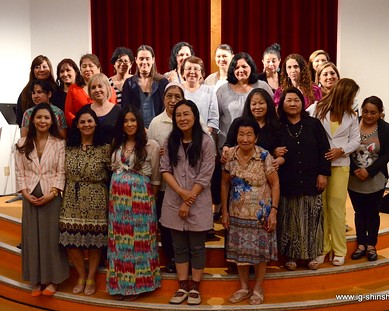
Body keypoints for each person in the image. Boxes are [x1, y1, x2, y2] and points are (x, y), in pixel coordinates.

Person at [160, 100, 215, 305]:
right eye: (178, 115)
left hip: (198, 201)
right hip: (174, 200)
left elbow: (205, 175)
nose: (182, 119)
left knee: (197, 247)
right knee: (179, 247)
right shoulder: (170, 141)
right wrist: (181, 193)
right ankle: (182, 286)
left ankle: (195, 287)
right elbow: (165, 169)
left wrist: (188, 199)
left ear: (194, 116)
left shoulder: (207, 142)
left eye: (186, 114)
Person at [221, 117, 279, 305]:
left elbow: (275, 184)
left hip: (260, 215)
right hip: (236, 214)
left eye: (249, 134)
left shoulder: (264, 156)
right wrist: (225, 212)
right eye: (241, 134)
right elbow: (224, 183)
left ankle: (258, 288)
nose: (244, 139)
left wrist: (273, 212)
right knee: (240, 253)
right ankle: (244, 287)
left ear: (256, 137)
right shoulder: (229, 155)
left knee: (260, 254)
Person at [107, 106, 161, 301]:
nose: (129, 124)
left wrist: (148, 200)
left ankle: (139, 285)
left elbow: (155, 178)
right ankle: (120, 285)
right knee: (120, 244)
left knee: (139, 244)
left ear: (139, 122)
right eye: (125, 121)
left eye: (133, 120)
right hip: (118, 203)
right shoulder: (116, 143)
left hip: (141, 203)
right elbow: (113, 168)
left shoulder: (150, 145)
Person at [15, 103, 69, 297]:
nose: (42, 121)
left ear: (52, 120)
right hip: (29, 195)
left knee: (51, 239)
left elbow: (61, 172)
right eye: (39, 117)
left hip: (51, 195)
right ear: (32, 120)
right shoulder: (21, 144)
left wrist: (53, 193)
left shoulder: (59, 143)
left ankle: (53, 280)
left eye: (46, 117)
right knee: (32, 238)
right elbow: (19, 172)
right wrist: (24, 193)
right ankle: (36, 280)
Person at [275, 88, 331, 271]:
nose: (292, 104)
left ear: (303, 103)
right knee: (290, 219)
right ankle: (291, 256)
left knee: (312, 219)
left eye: (296, 100)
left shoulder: (313, 124)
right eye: (288, 100)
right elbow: (268, 147)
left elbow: (325, 150)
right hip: (287, 181)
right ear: (282, 104)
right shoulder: (277, 125)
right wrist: (275, 151)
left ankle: (312, 255)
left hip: (311, 180)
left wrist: (323, 173)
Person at [59, 105, 110, 296]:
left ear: (96, 124)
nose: (86, 124)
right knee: (70, 238)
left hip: (97, 196)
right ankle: (81, 275)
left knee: (95, 240)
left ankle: (91, 276)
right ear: (77, 125)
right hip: (71, 196)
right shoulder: (68, 147)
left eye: (90, 121)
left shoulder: (106, 148)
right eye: (82, 122)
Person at [311, 78, 360, 266]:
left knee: (336, 208)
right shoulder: (318, 108)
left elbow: (356, 140)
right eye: (352, 95)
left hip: (340, 165)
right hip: (319, 166)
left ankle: (339, 250)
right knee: (321, 208)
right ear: (344, 94)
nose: (354, 99)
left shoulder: (352, 115)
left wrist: (341, 150)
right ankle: (323, 248)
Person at [148, 82, 185, 273]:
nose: (172, 100)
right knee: (167, 225)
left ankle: (185, 259)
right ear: (163, 98)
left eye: (177, 96)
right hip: (164, 185)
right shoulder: (155, 122)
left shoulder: (193, 118)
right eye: (169, 96)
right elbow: (150, 153)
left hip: (187, 184)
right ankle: (171, 258)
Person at [348, 96, 389, 261]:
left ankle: (371, 245)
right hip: (354, 177)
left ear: (380, 113)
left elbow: (386, 155)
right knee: (359, 213)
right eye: (365, 111)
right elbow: (346, 150)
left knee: (372, 213)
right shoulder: (352, 125)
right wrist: (356, 169)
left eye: (373, 112)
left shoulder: (385, 129)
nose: (369, 115)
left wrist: (369, 171)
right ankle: (361, 244)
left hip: (376, 178)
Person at [217, 52, 274, 154]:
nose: (240, 70)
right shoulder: (222, 90)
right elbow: (216, 118)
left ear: (251, 67)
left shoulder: (262, 86)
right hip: (229, 144)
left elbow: (272, 113)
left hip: (259, 145)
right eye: (237, 67)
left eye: (244, 66)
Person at [222, 88, 282, 166]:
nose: (257, 107)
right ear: (249, 106)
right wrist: (225, 150)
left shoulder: (276, 125)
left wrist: (277, 161)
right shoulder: (238, 123)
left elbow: (282, 155)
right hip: (240, 169)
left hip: (267, 170)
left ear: (268, 104)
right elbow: (228, 144)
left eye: (261, 103)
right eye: (254, 104)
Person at [121, 45, 169, 128]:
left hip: (159, 128)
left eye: (147, 59)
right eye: (141, 59)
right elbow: (125, 109)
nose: (144, 62)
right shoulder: (129, 83)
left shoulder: (162, 82)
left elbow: (166, 108)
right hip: (135, 129)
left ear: (153, 60)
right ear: (136, 60)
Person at [65, 54, 117, 127]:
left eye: (90, 65)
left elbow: (113, 110)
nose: (87, 69)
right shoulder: (73, 89)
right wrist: (80, 126)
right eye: (84, 66)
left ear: (98, 68)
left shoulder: (108, 88)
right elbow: (69, 113)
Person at [16, 55, 58, 127]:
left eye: (44, 67)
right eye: (37, 67)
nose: (41, 70)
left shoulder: (57, 90)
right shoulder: (26, 92)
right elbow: (20, 119)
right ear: (32, 70)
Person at [181, 56, 219, 134]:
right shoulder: (178, 90)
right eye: (188, 68)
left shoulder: (209, 91)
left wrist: (205, 134)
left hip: (204, 136)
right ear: (183, 73)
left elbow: (213, 118)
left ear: (201, 74)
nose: (192, 72)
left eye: (196, 69)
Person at [87, 73, 121, 144]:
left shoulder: (119, 111)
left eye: (100, 86)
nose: (97, 90)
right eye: (93, 87)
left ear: (108, 88)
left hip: (113, 152)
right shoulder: (85, 111)